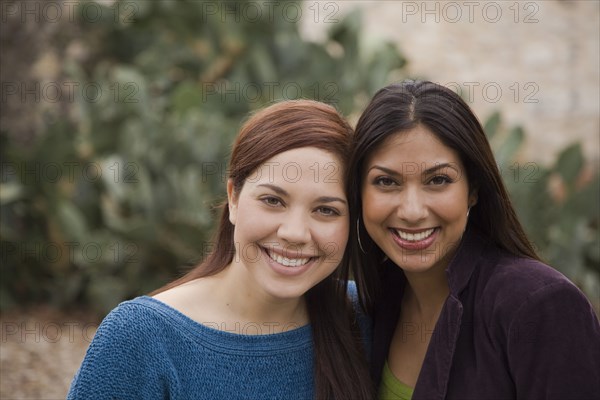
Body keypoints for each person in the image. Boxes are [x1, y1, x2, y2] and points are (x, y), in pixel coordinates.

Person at [68, 99, 374, 399]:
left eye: (326, 210)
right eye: (273, 200)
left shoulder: (363, 317)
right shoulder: (140, 337)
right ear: (233, 198)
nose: (294, 233)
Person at [347, 80, 600, 399]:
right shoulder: (373, 304)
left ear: (473, 190)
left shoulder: (541, 307)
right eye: (386, 181)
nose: (412, 211)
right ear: (359, 193)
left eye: (438, 180)